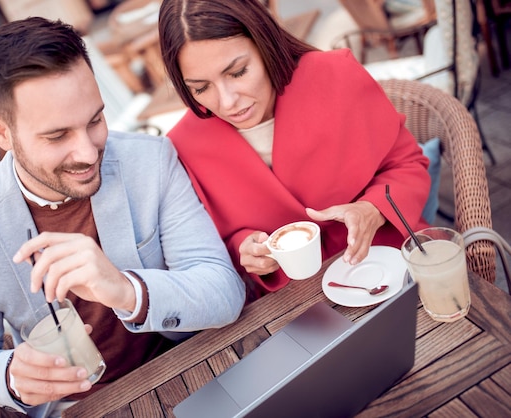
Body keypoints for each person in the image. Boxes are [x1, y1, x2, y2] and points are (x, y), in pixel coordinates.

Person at [0, 17, 245, 417]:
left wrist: (125, 290)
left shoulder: (151, 161)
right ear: (1, 132)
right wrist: (10, 374)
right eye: (57, 136)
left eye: (95, 120)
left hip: (194, 368)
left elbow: (223, 291)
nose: (88, 152)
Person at [158, 0, 431, 301]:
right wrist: (246, 250)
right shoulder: (185, 145)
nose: (227, 102)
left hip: (393, 262)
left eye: (237, 72)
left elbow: (407, 164)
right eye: (200, 88)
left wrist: (372, 209)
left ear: (264, 43)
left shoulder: (334, 75)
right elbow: (219, 240)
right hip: (298, 302)